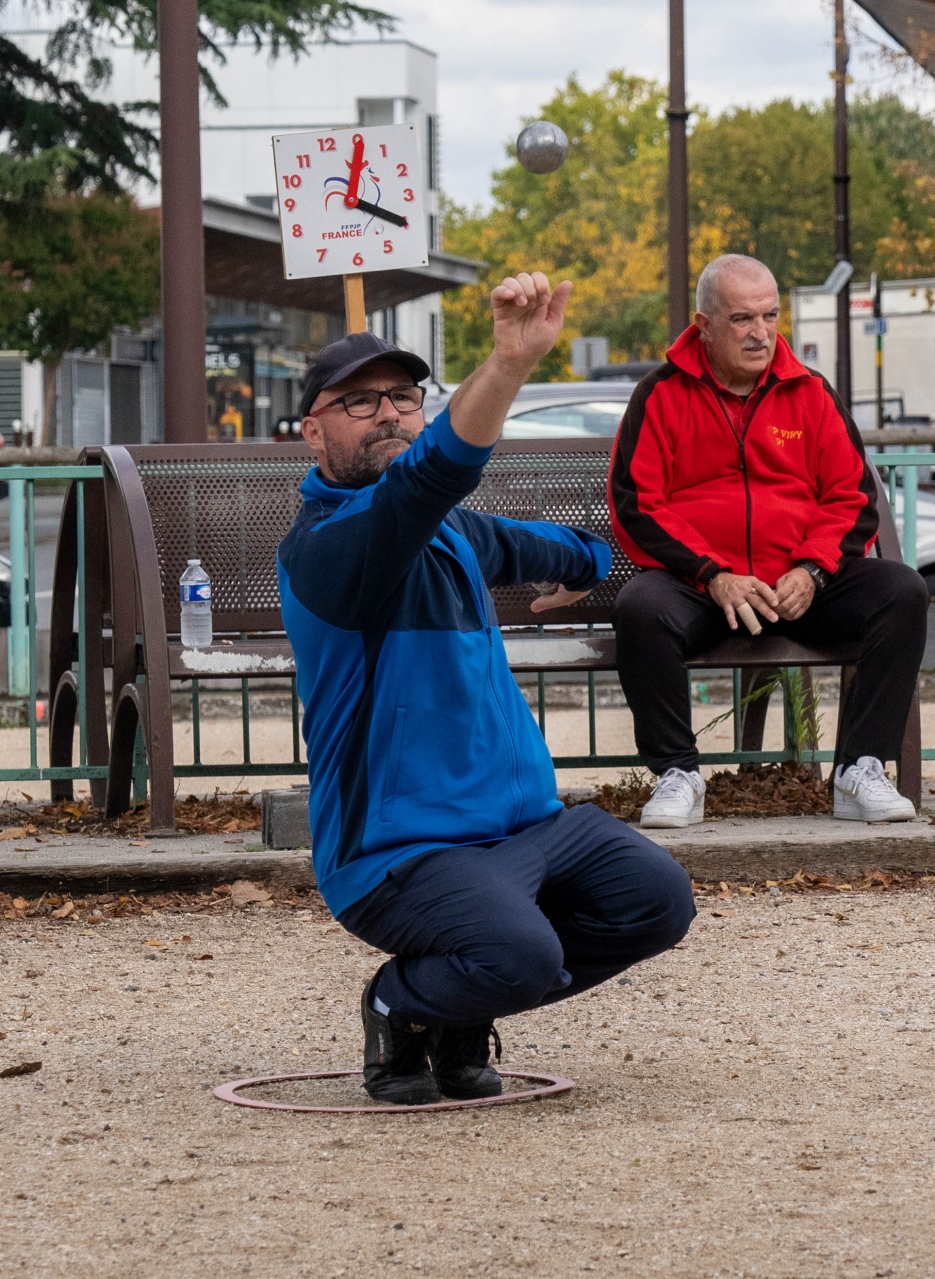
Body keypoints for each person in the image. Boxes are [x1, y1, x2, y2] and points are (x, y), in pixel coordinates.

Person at [278, 272, 695, 1106]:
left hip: (526, 830)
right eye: (359, 403)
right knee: (522, 955)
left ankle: (463, 1002)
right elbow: (433, 480)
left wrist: (580, 566)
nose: (389, 412)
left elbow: (553, 544)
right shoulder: (328, 549)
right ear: (310, 434)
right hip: (400, 854)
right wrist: (507, 363)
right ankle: (402, 1002)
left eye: (402, 395)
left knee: (658, 900)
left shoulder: (450, 533)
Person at [608, 253, 928, 830]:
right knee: (641, 607)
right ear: (703, 325)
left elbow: (851, 497)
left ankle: (859, 771)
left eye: (770, 315)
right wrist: (711, 573)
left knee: (902, 591)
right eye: (741, 319)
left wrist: (813, 571)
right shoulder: (658, 395)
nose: (760, 333)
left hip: (798, 589)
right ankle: (677, 774)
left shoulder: (810, 392)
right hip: (708, 591)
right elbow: (638, 506)